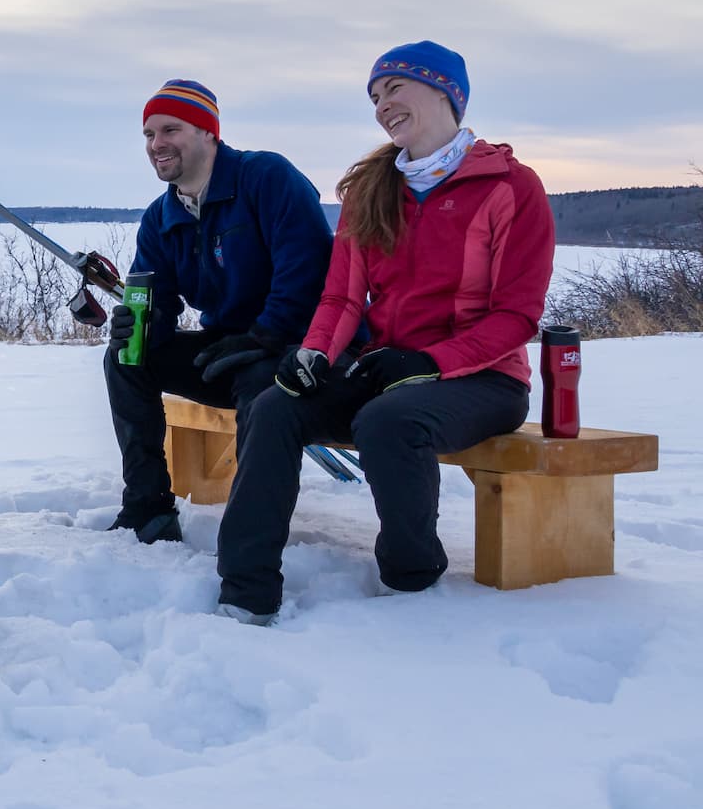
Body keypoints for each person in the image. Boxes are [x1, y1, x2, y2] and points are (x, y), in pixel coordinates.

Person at [215, 41, 556, 624]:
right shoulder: (370, 190)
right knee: (275, 406)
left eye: (393, 88)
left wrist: (429, 362)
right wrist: (314, 352)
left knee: (388, 419)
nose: (382, 105)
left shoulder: (510, 187)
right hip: (385, 370)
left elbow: (516, 316)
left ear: (445, 91)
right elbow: (342, 295)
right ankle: (245, 591)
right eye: (374, 97)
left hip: (483, 380)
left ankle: (411, 576)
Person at [104, 79, 336, 543]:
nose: (157, 144)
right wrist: (136, 327)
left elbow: (308, 269)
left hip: (301, 348)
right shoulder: (161, 218)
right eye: (149, 135)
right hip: (228, 346)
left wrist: (266, 335)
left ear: (209, 133)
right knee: (126, 360)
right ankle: (147, 509)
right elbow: (159, 307)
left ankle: (252, 536)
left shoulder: (266, 179)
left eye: (171, 130)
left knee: (259, 381)